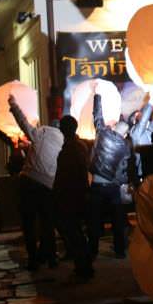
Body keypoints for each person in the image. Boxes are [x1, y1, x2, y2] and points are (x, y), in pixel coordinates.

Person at [9, 94, 64, 271]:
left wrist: (13, 104)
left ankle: (33, 258)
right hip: (48, 185)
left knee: (29, 222)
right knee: (47, 222)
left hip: (29, 181)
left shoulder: (40, 134)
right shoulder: (63, 141)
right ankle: (50, 258)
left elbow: (23, 122)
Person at [86, 81, 132, 259]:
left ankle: (93, 250)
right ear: (125, 134)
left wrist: (97, 95)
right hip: (113, 188)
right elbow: (122, 170)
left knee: (94, 220)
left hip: (96, 185)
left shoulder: (102, 133)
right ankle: (120, 251)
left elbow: (97, 115)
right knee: (117, 221)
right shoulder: (125, 147)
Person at [54, 115, 94, 281]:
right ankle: (83, 265)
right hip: (78, 193)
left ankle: (84, 266)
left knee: (74, 232)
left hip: (71, 194)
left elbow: (67, 174)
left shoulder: (71, 148)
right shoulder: (80, 146)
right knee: (76, 231)